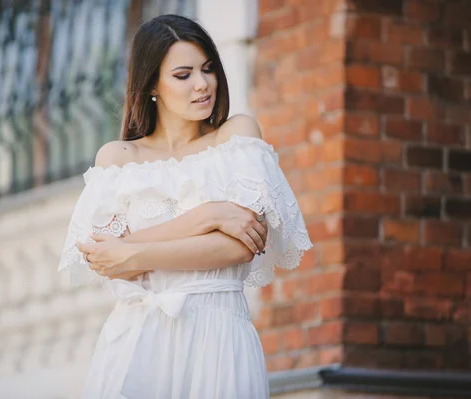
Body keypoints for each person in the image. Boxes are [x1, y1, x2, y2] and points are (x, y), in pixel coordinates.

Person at [58, 14, 312, 399]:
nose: (202, 84)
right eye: (183, 75)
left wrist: (133, 250)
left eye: (208, 70)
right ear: (151, 85)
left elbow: (241, 248)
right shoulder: (118, 158)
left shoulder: (236, 137)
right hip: (137, 342)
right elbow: (107, 261)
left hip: (218, 337)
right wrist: (206, 217)